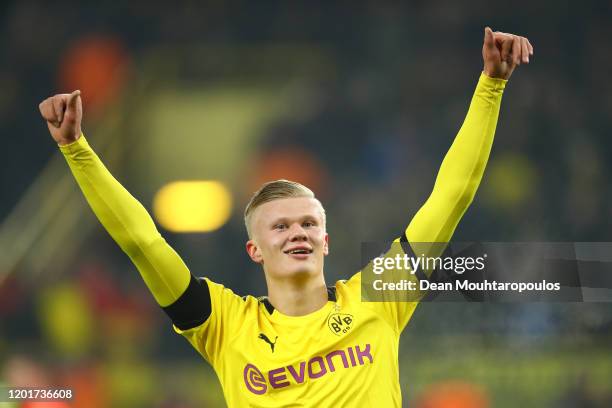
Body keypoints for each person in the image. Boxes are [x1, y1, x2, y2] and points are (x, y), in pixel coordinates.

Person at [39, 27, 532, 407]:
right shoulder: (225, 324)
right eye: (280, 225)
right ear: (253, 248)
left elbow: (452, 195)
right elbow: (143, 242)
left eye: (308, 224)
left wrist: (490, 86)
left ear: (326, 241)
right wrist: (77, 150)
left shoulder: (379, 296)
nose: (298, 232)